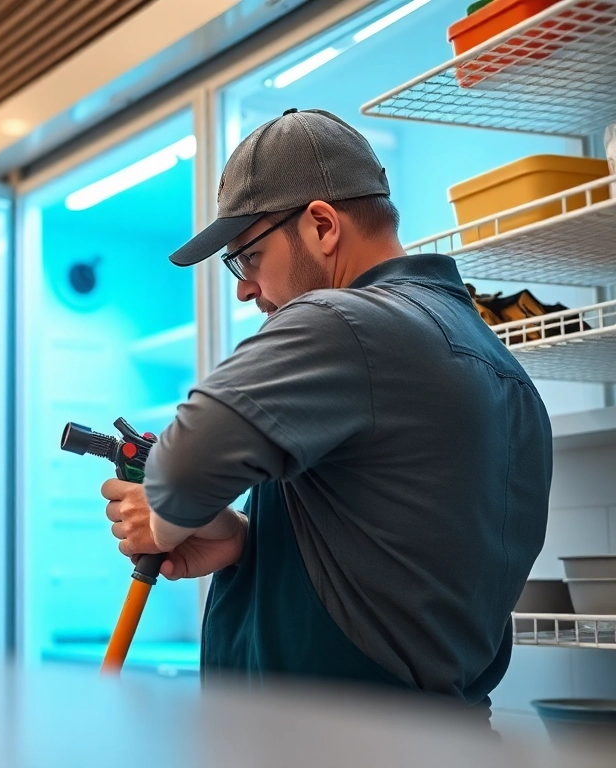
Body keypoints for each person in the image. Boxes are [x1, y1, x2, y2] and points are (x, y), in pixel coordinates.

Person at [101, 109, 551, 707]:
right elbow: (380, 560)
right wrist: (237, 534)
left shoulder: (346, 320)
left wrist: (160, 520)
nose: (242, 287)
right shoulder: (505, 373)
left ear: (321, 225)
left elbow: (180, 467)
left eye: (247, 257)